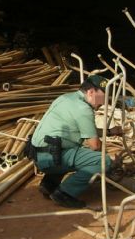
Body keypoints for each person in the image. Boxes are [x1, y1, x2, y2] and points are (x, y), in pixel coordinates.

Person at [27, 75, 121, 208]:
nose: (103, 103)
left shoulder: (66, 98)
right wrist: (110, 162)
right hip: (51, 157)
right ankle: (64, 193)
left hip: (39, 155)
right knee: (102, 161)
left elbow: (85, 130)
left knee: (72, 150)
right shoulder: (84, 109)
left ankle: (49, 184)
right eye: (102, 97)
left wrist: (110, 131)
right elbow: (95, 146)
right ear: (90, 92)